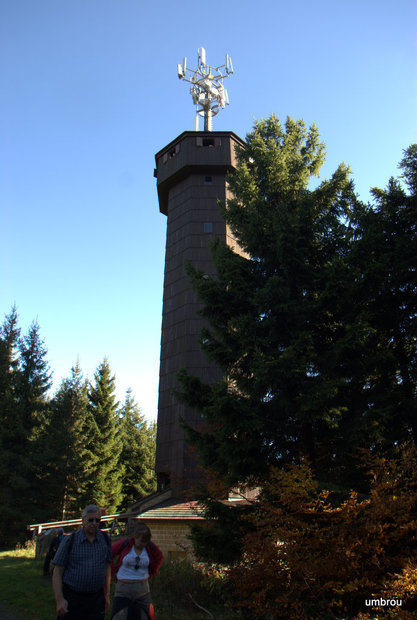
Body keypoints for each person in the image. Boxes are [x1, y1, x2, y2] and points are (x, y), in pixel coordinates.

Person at [52, 504, 112, 619]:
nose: (94, 523)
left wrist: (107, 595)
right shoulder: (70, 540)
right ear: (83, 520)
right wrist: (59, 599)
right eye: (90, 520)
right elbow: (57, 571)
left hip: (96, 598)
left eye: (97, 520)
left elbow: (107, 567)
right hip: (73, 597)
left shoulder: (105, 539)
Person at [111, 521, 163, 620]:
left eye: (146, 542)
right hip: (123, 589)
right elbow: (110, 552)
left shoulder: (150, 547)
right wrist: (113, 572)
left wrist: (152, 572)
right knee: (119, 616)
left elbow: (159, 557)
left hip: (142, 590)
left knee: (146, 616)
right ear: (135, 537)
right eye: (141, 541)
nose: (143, 544)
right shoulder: (126, 544)